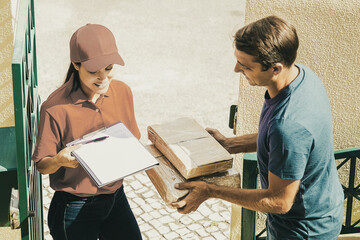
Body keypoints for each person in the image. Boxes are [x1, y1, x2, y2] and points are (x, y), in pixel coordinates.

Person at [171, 16, 344, 239]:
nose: (236, 69)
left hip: (303, 231)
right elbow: (282, 142)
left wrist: (210, 191)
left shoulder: (288, 125)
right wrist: (229, 144)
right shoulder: (303, 76)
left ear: (275, 68)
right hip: (325, 207)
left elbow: (279, 201)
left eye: (245, 66)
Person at [32, 24, 142, 240]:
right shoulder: (55, 108)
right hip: (74, 207)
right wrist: (59, 160)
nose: (103, 79)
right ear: (75, 64)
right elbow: (42, 165)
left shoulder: (123, 92)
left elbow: (132, 141)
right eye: (94, 72)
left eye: (109, 68)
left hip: (115, 198)